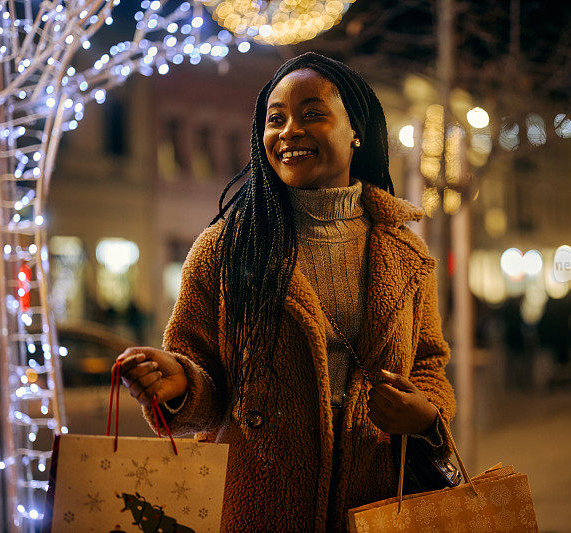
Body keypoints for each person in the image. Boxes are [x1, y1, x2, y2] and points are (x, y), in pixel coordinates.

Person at [115, 52, 455, 531]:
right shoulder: (225, 249)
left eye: (313, 114)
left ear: (356, 131)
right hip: (262, 509)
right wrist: (178, 384)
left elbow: (428, 365)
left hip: (381, 505)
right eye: (276, 120)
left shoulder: (404, 252)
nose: (289, 131)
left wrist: (425, 414)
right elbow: (202, 383)